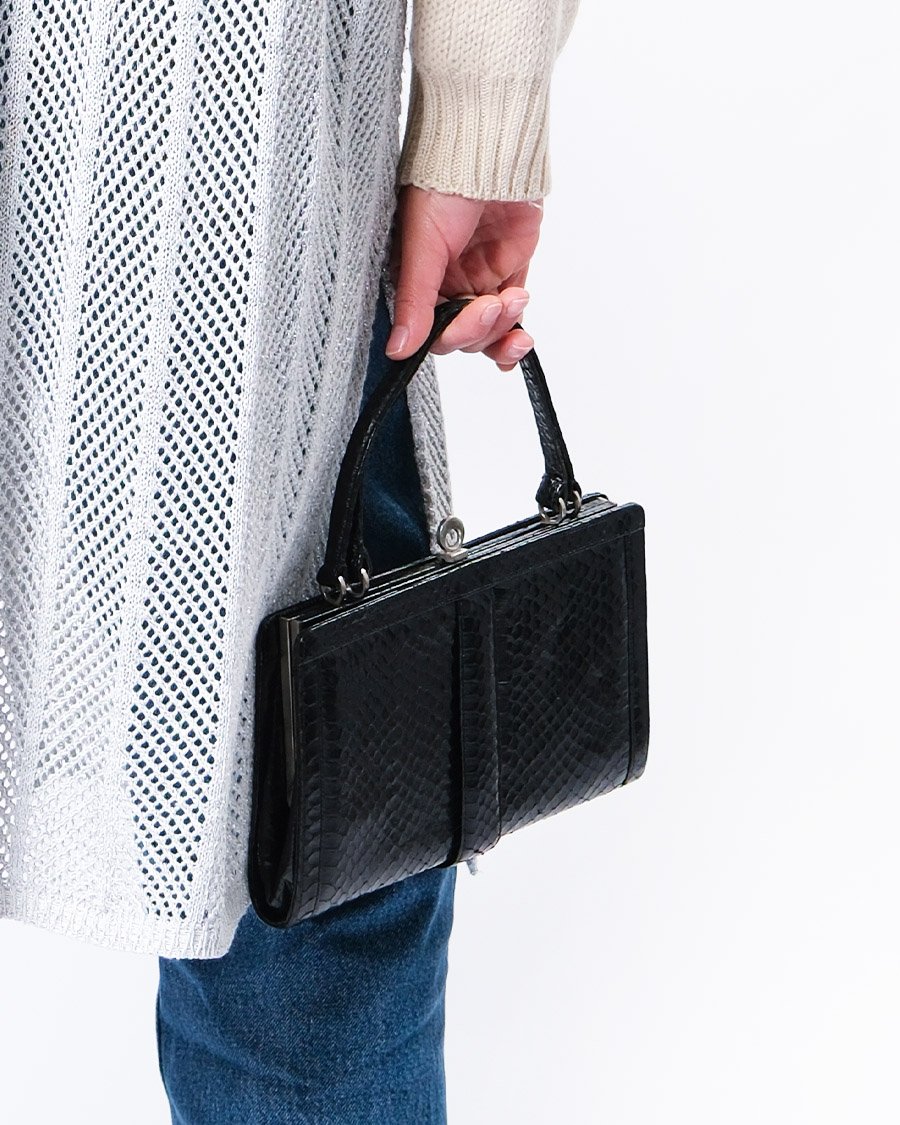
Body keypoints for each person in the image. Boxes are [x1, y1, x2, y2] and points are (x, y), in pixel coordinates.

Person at [0, 0, 578, 1119]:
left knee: (306, 827)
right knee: (309, 873)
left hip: (200, 101)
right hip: (199, 96)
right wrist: (480, 101)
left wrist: (483, 102)